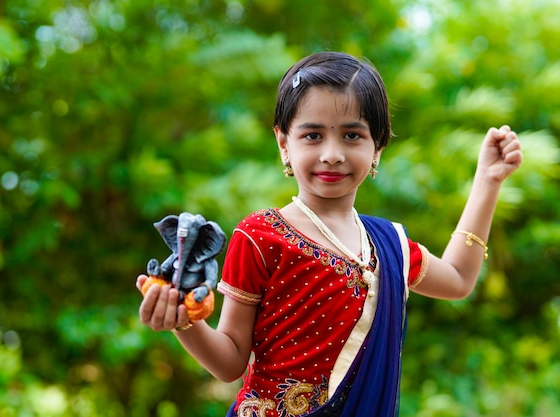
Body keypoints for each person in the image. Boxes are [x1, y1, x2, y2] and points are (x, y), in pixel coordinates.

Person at [137, 51, 523, 416]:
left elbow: (457, 279)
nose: (333, 154)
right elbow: (230, 360)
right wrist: (184, 321)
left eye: (352, 135)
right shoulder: (260, 236)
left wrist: (487, 181)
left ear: (378, 149)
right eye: (313, 135)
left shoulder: (390, 245)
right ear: (283, 143)